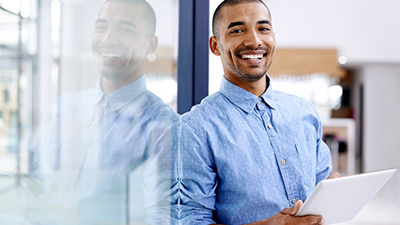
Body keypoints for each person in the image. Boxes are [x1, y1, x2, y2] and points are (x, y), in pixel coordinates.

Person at [178, 0, 339, 224]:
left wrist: (334, 192)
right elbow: (191, 219)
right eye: (237, 30)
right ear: (215, 46)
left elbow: (323, 188)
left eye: (263, 28)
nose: (254, 40)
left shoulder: (304, 112)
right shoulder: (196, 128)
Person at [29, 0, 178, 224]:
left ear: (150, 45)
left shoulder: (165, 126)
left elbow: (163, 218)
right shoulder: (63, 109)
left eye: (126, 29)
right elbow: (36, 181)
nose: (108, 39)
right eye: (101, 27)